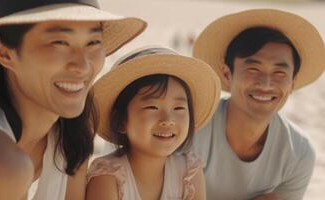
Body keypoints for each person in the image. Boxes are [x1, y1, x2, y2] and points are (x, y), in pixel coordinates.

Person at [0, 0, 146, 199]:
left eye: (93, 42)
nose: (82, 66)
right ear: (4, 52)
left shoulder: (72, 131)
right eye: (59, 43)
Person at [192, 9, 325, 200]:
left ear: (293, 83)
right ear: (228, 75)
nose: (266, 84)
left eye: (280, 73)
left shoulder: (299, 153)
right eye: (253, 69)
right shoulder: (191, 130)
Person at [86, 46, 221, 200]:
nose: (168, 120)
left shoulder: (189, 172)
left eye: (179, 108)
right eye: (152, 107)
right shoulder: (108, 177)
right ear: (121, 120)